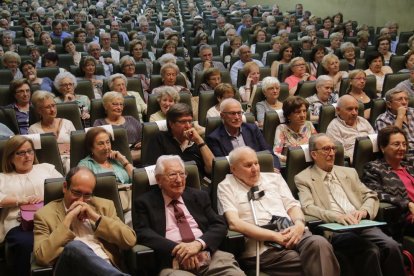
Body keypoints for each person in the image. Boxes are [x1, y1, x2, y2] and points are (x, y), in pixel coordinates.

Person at [217, 146, 339, 275]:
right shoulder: (226, 186)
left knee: (320, 244)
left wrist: (299, 224)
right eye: (248, 165)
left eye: (256, 163)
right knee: (317, 260)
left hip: (292, 233)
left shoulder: (274, 178)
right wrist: (275, 236)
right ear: (233, 169)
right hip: (263, 248)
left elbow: (292, 206)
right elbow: (234, 223)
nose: (255, 169)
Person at [295, 133, 405, 276]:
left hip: (361, 223)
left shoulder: (348, 172)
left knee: (393, 246)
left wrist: (364, 211)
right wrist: (336, 217)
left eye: (333, 149)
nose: (332, 153)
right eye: (326, 149)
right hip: (336, 229)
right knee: (370, 250)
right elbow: (307, 207)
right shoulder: (303, 178)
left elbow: (370, 195)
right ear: (314, 154)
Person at [133, 155, 245, 275]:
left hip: (209, 256)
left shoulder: (199, 196)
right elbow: (143, 233)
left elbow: (219, 224)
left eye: (182, 174)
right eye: (172, 175)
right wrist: (181, 251)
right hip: (173, 262)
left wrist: (198, 244)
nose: (179, 180)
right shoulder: (145, 202)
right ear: (159, 179)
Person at [33, 166, 136, 275]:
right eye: (76, 193)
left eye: (87, 195)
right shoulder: (44, 215)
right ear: (65, 187)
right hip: (72, 271)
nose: (81, 200)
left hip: (106, 268)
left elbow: (129, 240)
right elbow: (42, 257)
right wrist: (67, 220)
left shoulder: (104, 206)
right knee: (74, 246)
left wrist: (96, 218)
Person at [1, 135, 62, 276]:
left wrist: (46, 196)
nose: (27, 156)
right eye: (21, 153)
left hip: (51, 220)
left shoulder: (46, 168)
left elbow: (63, 188)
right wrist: (21, 200)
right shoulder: (3, 178)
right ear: (10, 157)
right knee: (27, 244)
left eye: (30, 151)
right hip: (20, 225)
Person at [362, 126, 414, 239]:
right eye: (396, 144)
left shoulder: (410, 164)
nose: (402, 148)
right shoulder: (374, 168)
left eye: (404, 144)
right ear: (382, 147)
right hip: (403, 218)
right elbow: (376, 193)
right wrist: (408, 204)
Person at [145, 103, 214, 179]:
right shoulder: (160, 139)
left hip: (198, 186)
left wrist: (199, 141)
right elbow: (153, 171)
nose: (188, 126)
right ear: (171, 124)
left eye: (190, 121)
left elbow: (212, 169)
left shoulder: (198, 141)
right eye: (182, 122)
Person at [206, 98, 281, 169]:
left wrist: (273, 168)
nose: (237, 117)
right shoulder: (214, 138)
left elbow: (269, 153)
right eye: (232, 113)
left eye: (239, 113)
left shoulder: (252, 129)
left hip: (259, 171)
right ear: (222, 116)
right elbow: (222, 166)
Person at [29, 90, 75, 173]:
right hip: (48, 163)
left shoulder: (67, 123)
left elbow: (76, 145)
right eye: (48, 107)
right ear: (39, 110)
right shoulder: (33, 129)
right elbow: (36, 153)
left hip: (70, 159)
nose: (52, 109)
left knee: (69, 163)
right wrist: (61, 149)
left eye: (53, 105)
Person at [93, 92, 142, 163]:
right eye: (115, 104)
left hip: (137, 154)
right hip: (113, 157)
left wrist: (142, 143)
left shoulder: (131, 119)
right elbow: (98, 145)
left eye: (121, 104)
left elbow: (144, 137)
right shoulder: (99, 123)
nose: (119, 108)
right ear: (105, 106)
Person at [326, 95, 374, 162]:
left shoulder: (363, 121)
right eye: (350, 109)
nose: (354, 113)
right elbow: (340, 154)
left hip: (373, 158)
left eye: (356, 109)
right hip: (355, 162)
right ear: (338, 110)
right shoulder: (334, 127)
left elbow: (374, 141)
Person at [274, 96, 317, 162]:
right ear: (288, 115)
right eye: (298, 112)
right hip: (292, 165)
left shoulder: (309, 125)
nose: (302, 115)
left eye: (304, 111)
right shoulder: (282, 129)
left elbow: (317, 145)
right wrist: (290, 160)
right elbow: (276, 153)